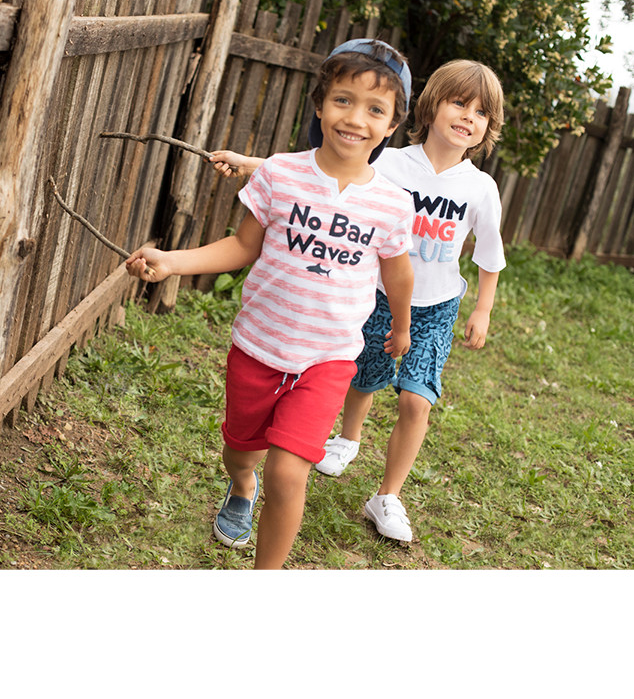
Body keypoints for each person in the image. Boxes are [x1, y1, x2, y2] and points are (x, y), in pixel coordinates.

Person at [125, 39, 415, 568]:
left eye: (376, 109)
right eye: (343, 100)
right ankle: (240, 485)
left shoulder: (393, 204)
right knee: (240, 450)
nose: (356, 119)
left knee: (289, 472)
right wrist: (172, 261)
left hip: (327, 358)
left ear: (392, 126)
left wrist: (401, 326)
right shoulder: (279, 173)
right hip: (258, 348)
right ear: (321, 104)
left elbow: (397, 272)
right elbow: (240, 247)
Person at [210, 58, 506, 543]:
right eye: (459, 103)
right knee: (365, 376)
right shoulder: (391, 162)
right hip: (371, 296)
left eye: (481, 113)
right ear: (428, 108)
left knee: (416, 400)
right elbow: (321, 171)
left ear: (487, 128)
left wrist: (483, 308)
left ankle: (387, 494)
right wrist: (249, 163)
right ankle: (347, 439)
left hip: (434, 308)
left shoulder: (481, 188)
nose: (468, 116)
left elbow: (490, 254)